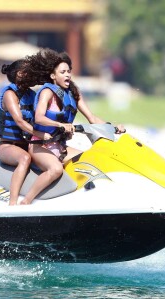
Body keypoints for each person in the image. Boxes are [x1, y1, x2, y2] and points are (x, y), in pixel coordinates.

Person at [15, 48, 125, 205]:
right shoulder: (47, 92)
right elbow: (39, 118)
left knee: (91, 161)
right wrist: (60, 124)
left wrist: (113, 128)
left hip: (59, 147)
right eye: (63, 72)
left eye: (69, 71)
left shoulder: (73, 93)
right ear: (53, 76)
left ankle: (86, 198)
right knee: (56, 170)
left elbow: (92, 118)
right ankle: (26, 202)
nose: (68, 75)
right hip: (40, 146)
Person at [0, 60, 51, 205]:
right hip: (8, 146)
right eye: (30, 72)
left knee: (53, 159)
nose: (34, 75)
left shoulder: (31, 95)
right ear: (20, 74)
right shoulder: (10, 94)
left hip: (27, 145)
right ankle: (13, 203)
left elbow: (42, 117)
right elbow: (20, 122)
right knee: (25, 159)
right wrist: (41, 135)